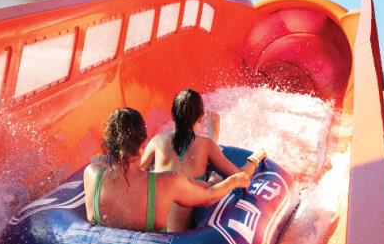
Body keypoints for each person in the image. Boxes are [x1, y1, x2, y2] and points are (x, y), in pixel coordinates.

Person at [84, 106, 252, 233]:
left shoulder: (91, 173)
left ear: (107, 144)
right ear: (143, 143)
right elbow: (208, 198)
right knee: (206, 183)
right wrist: (233, 181)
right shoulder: (168, 182)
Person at [141, 89, 267, 230]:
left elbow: (136, 175)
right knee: (216, 180)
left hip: (152, 230)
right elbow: (240, 175)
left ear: (173, 116)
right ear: (201, 118)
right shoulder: (206, 145)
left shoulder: (157, 141)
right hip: (178, 235)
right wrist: (256, 158)